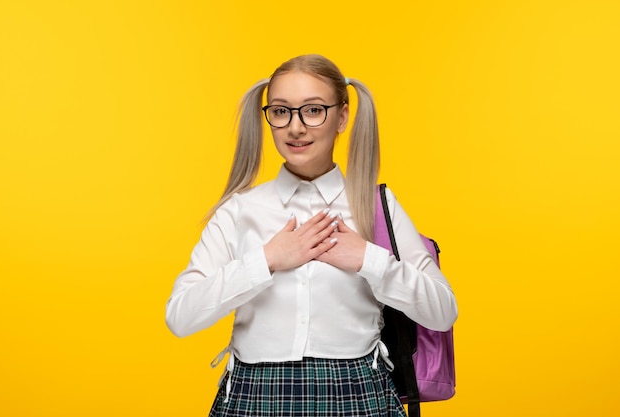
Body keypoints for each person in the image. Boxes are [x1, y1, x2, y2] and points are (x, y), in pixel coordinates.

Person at [165, 54, 458, 417]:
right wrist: (267, 260)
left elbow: (443, 313)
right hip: (255, 397)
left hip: (358, 395)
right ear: (268, 117)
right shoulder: (240, 210)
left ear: (343, 117)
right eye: (281, 111)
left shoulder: (376, 206)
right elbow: (180, 316)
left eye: (313, 110)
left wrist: (369, 260)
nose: (296, 128)